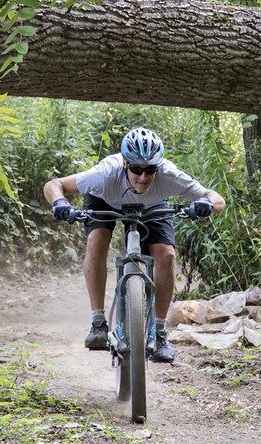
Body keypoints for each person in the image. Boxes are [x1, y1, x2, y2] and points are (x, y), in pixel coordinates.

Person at [44, 127, 225, 363]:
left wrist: (205, 204)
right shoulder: (104, 175)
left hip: (151, 205)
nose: (143, 177)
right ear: (125, 165)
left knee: (167, 255)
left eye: (150, 170)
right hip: (105, 200)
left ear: (158, 167)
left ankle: (159, 333)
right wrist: (59, 203)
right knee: (97, 239)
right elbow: (55, 184)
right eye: (137, 169)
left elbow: (217, 198)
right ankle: (98, 322)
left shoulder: (169, 175)